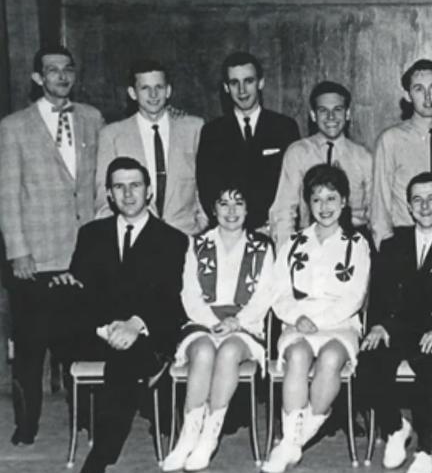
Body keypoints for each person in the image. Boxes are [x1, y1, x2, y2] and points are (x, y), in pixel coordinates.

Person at [0, 47, 104, 446]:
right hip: (35, 258)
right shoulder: (14, 127)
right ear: (38, 79)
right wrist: (17, 251)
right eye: (52, 71)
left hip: (81, 256)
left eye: (67, 69)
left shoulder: (93, 119)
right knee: (29, 347)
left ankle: (88, 422)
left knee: (80, 343)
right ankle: (26, 426)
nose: (61, 76)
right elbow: (8, 195)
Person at [68, 157, 189, 473]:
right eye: (119, 186)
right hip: (101, 333)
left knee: (127, 361)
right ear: (109, 194)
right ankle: (150, 379)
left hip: (148, 334)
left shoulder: (173, 240)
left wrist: (136, 325)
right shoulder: (91, 234)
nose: (128, 193)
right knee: (65, 305)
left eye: (135, 185)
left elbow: (172, 300)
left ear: (149, 190)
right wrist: (108, 328)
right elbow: (84, 293)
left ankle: (97, 463)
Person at [357, 173, 432, 473]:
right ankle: (395, 428)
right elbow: (379, 293)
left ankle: (426, 451)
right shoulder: (393, 244)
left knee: (430, 368)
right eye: (417, 200)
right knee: (368, 362)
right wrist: (379, 326)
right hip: (397, 327)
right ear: (408, 207)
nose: (425, 206)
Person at [259, 165, 370, 473]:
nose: (325, 207)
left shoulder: (356, 244)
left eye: (332, 199)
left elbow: (355, 296)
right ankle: (294, 439)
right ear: (308, 203)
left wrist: (320, 321)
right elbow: (278, 292)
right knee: (296, 355)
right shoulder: (293, 243)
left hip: (340, 322)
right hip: (299, 321)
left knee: (332, 357)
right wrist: (298, 317)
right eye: (317, 199)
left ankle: (292, 442)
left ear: (345, 201)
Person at [160, 182, 277, 473]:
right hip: (203, 321)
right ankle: (188, 436)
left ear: (249, 209)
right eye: (223, 204)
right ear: (213, 209)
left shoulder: (262, 247)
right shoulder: (196, 245)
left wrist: (235, 323)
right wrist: (213, 324)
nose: (231, 211)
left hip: (245, 325)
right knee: (202, 352)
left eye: (238, 203)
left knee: (228, 352)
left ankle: (209, 437)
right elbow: (189, 293)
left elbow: (266, 294)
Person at [96, 60, 207, 235]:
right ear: (133, 93)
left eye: (159, 87)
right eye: (145, 88)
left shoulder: (194, 128)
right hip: (137, 240)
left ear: (168, 90)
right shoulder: (112, 135)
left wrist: (202, 223)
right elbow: (104, 196)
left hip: (187, 235)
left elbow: (204, 185)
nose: (153, 94)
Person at [196, 52, 300, 231]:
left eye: (249, 81)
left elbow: (295, 184)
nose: (242, 90)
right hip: (229, 230)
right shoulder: (212, 132)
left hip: (274, 230)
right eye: (234, 83)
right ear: (226, 88)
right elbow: (207, 187)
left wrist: (273, 226)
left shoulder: (284, 127)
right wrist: (230, 225)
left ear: (261, 83)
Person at [371, 59, 432, 245]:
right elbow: (380, 202)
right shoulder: (391, 140)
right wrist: (385, 248)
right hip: (405, 237)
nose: (428, 97)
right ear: (407, 95)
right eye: (419, 89)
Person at [270, 81, 372, 245]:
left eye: (337, 110)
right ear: (313, 115)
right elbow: (284, 210)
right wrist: (287, 254)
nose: (331, 117)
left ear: (347, 114)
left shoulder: (363, 157)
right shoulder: (298, 153)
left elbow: (375, 211)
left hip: (353, 241)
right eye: (323, 110)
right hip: (310, 243)